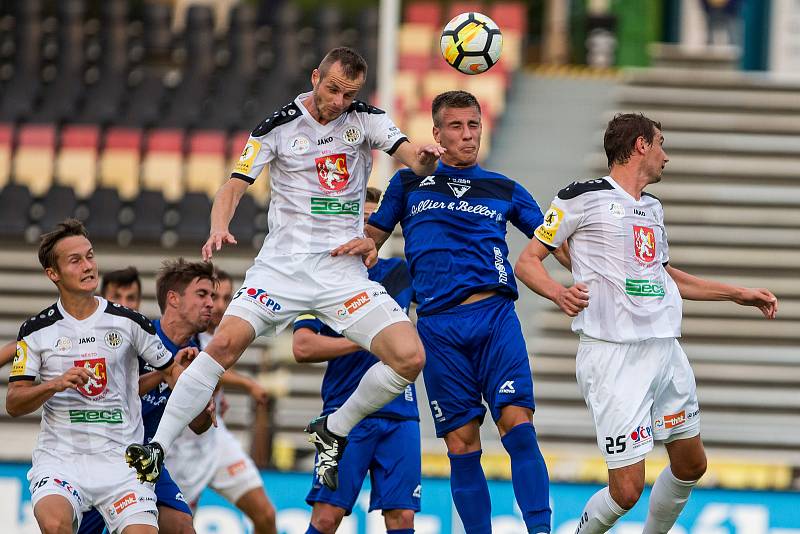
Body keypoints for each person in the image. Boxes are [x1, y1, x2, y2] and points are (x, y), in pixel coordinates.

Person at [126, 46, 445, 491]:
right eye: (332, 88)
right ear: (315, 77)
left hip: (341, 274)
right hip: (281, 269)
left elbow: (411, 156)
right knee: (223, 346)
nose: (338, 101)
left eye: (348, 94)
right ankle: (156, 447)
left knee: (410, 357)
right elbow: (233, 186)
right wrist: (220, 225)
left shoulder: (366, 119)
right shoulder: (276, 127)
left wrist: (427, 157)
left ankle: (334, 426)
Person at [514, 113, 778, 534]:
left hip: (665, 351)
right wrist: (559, 293)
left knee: (692, 464)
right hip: (614, 356)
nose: (665, 157)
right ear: (640, 145)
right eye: (660, 144)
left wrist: (736, 293)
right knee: (626, 490)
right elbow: (528, 261)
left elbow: (666, 275)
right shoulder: (579, 196)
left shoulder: (653, 208)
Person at [365, 91, 553, 534]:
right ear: (436, 133)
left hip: (494, 318)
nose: (467, 135)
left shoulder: (505, 188)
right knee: (461, 444)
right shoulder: (408, 182)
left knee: (518, 426)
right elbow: (373, 236)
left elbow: (552, 240)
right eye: (456, 126)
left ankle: (541, 530)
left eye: (473, 125)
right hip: (437, 328)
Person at [5, 219, 185, 534]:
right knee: (54, 522)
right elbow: (14, 403)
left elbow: (171, 370)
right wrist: (54, 384)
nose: (88, 266)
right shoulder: (34, 331)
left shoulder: (130, 322)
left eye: (90, 256)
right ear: (53, 274)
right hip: (62, 461)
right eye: (76, 260)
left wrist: (198, 395)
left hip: (123, 463)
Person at [293, 187, 419, 534]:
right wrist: (366, 340)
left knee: (402, 517)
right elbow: (302, 347)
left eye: (372, 220)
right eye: (358, 219)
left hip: (401, 412)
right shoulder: (322, 276)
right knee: (327, 517)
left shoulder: (402, 273)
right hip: (345, 411)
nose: (366, 227)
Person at [77, 265, 202, 534]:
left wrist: (206, 395)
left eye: (131, 297)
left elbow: (200, 424)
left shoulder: (148, 336)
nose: (124, 304)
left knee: (181, 525)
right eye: (117, 297)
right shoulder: (100, 342)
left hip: (145, 453)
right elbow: (111, 392)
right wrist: (166, 371)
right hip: (102, 449)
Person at [164, 267, 277, 534]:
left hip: (216, 442)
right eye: (213, 297)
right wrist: (248, 384)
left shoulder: (222, 332)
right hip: (180, 451)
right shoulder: (186, 334)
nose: (219, 305)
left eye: (227, 298)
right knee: (181, 526)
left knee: (265, 515)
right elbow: (207, 367)